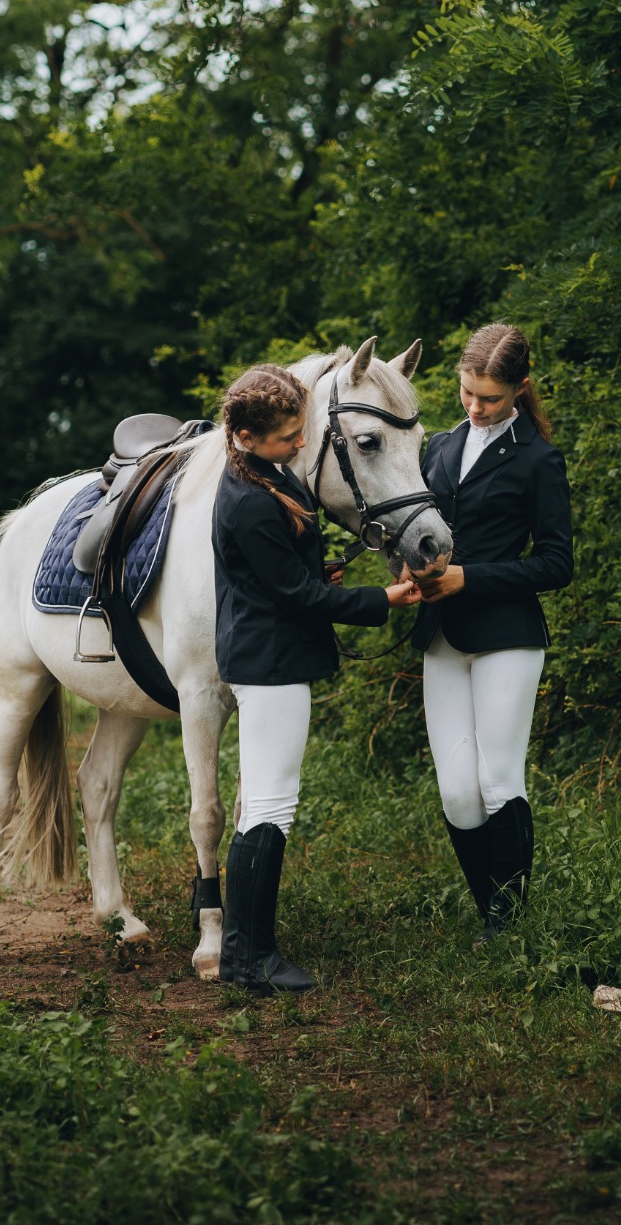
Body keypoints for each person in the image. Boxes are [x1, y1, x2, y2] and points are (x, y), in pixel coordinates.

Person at [213, 363, 420, 994]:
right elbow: (294, 597)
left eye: (302, 431)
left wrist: (318, 569)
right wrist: (383, 600)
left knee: (266, 805)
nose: (300, 443)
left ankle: (246, 954)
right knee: (269, 807)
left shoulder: (264, 476)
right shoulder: (250, 499)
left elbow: (282, 573)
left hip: (271, 656)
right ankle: (252, 960)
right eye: (286, 437)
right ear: (246, 437)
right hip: (270, 663)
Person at [410, 324, 573, 936]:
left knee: (497, 779)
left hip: (507, 634)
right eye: (467, 393)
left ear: (520, 388)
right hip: (440, 637)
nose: (476, 408)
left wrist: (469, 577)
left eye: (490, 398)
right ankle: (494, 913)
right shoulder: (440, 447)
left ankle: (506, 927)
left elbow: (557, 563)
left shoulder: (538, 458)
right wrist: (409, 567)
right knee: (456, 792)